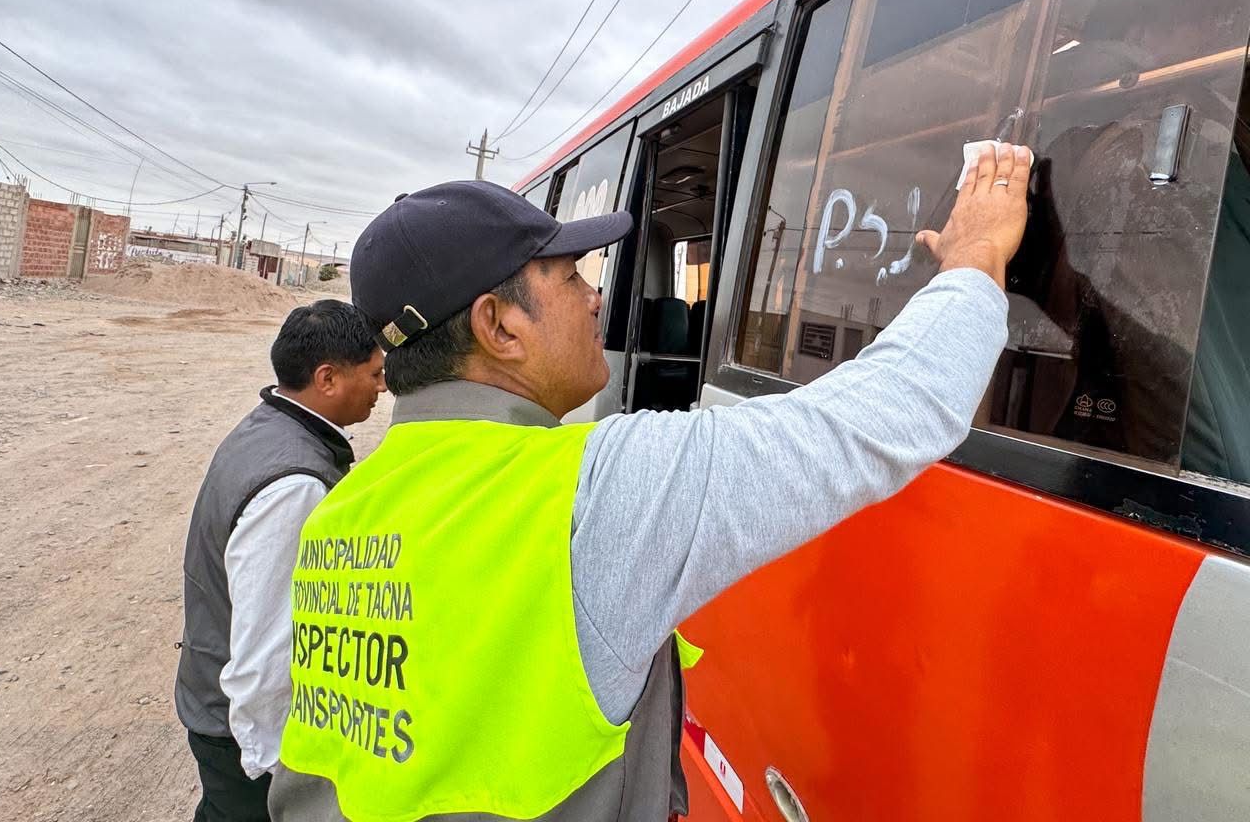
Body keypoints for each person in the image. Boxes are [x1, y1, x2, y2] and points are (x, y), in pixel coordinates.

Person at [269, 144, 1032, 822]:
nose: (596, 296)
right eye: (571, 277)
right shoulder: (588, 494)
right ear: (498, 326)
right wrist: (977, 257)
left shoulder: (341, 513)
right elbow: (889, 411)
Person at [175, 299, 386, 822]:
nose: (382, 388)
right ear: (327, 378)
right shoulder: (294, 484)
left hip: (214, 705)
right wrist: (274, 769)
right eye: (374, 374)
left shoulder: (268, 426)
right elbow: (267, 646)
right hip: (240, 738)